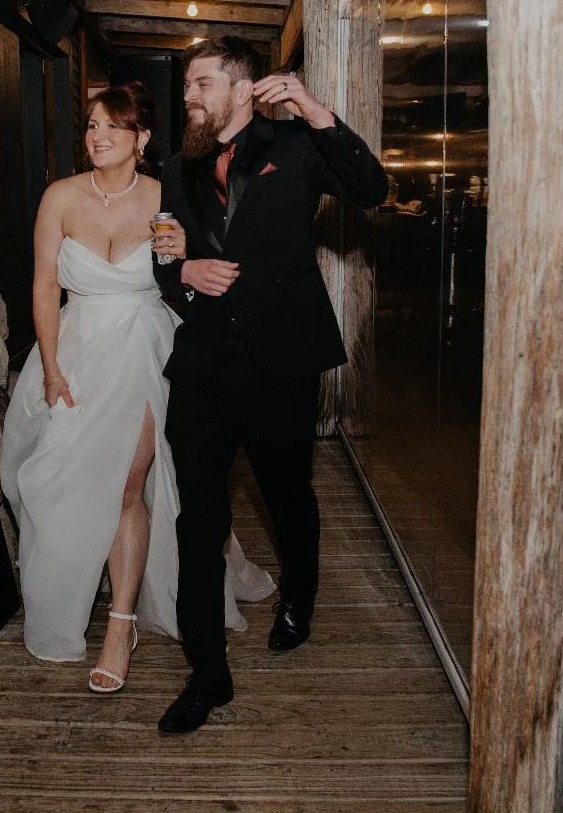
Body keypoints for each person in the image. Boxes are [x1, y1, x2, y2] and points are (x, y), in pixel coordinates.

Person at [151, 37, 390, 734]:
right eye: (188, 86)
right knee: (198, 523)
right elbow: (165, 251)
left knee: (288, 499)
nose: (189, 97)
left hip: (281, 363)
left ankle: (299, 598)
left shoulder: (298, 146)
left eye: (200, 84)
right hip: (200, 369)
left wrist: (316, 110)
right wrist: (184, 274)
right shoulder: (175, 168)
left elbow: (372, 191)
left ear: (240, 85)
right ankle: (208, 673)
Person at [0, 82, 273, 695]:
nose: (97, 136)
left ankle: (119, 627)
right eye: (92, 126)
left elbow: (201, 271)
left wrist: (180, 258)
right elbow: (45, 287)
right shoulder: (61, 197)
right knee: (52, 478)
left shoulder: (167, 193)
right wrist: (49, 368)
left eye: (112, 128)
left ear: (141, 139)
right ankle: (75, 577)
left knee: (128, 482)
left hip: (148, 348)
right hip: (74, 349)